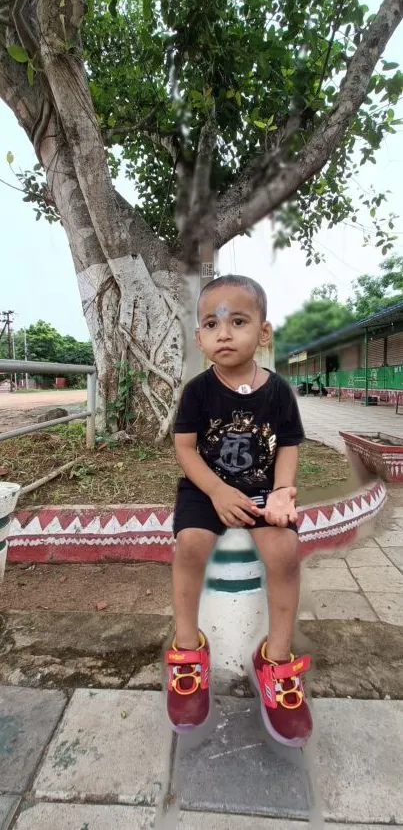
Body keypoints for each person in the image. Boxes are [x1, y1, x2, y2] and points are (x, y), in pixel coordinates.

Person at [165, 274, 312, 747]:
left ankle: (277, 660)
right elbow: (185, 449)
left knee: (285, 552)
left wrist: (283, 491)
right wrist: (216, 492)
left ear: (263, 333)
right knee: (190, 545)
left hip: (262, 490)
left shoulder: (279, 392)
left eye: (238, 321)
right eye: (211, 323)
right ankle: (188, 651)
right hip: (205, 489)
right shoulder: (198, 392)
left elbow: (288, 444)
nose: (223, 333)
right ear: (199, 337)